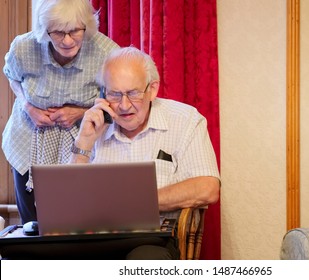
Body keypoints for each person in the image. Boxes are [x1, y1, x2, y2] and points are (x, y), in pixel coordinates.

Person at [69, 46, 221, 259]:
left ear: (153, 89)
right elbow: (68, 204)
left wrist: (138, 201)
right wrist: (83, 143)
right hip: (97, 238)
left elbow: (208, 187)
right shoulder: (93, 124)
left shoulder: (185, 120)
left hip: (154, 240)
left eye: (132, 93)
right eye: (114, 94)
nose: (123, 105)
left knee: (144, 260)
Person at [2, 0, 119, 224]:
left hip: (81, 147)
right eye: (58, 32)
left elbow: (115, 102)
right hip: (29, 141)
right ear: (45, 30)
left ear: (86, 25)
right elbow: (12, 76)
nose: (67, 40)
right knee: (33, 225)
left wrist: (81, 112)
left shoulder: (107, 52)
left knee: (76, 219)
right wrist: (28, 106)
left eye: (74, 31)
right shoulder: (24, 47)